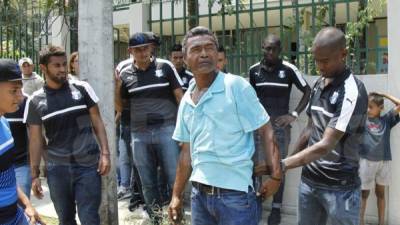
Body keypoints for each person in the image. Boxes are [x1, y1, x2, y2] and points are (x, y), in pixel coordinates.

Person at [168, 26, 282, 225]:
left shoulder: (235, 86)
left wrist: (276, 176)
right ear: (185, 59)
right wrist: (176, 195)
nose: (204, 53)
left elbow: (265, 129)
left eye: (209, 47)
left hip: (235, 198)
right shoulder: (187, 99)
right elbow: (186, 152)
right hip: (199, 197)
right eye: (196, 49)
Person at [281, 27, 368, 225]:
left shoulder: (352, 92)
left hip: (340, 189)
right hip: (309, 184)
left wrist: (283, 165)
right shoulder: (319, 84)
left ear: (343, 54)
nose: (319, 66)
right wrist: (288, 162)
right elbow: (310, 130)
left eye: (325, 60)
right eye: (316, 59)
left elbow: (326, 144)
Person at [24, 45, 111, 225]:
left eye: (64, 64)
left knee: (89, 218)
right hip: (57, 169)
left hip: (87, 165)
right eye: (56, 65)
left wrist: (105, 153)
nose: (63, 69)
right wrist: (34, 175)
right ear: (43, 67)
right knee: (65, 219)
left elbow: (97, 121)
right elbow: (35, 140)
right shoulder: (35, 101)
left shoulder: (82, 88)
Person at [116, 32, 184, 223]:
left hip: (167, 130)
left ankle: (177, 219)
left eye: (145, 48)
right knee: (147, 182)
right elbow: (120, 107)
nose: (142, 52)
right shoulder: (124, 74)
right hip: (139, 135)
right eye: (137, 49)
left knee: (174, 179)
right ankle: (156, 219)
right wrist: (116, 86)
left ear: (151, 48)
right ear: (130, 51)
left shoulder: (165, 66)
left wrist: (182, 130)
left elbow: (181, 99)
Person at [248, 34, 311, 225]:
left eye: (274, 49)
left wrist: (293, 115)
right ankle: (257, 204)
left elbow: (308, 91)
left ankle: (276, 210)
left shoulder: (289, 69)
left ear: (280, 50)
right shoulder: (254, 71)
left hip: (280, 130)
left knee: (278, 168)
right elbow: (249, 98)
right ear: (262, 48)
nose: (270, 52)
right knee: (257, 168)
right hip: (259, 129)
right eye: (267, 48)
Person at [0, 58, 45, 225]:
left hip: (15, 215)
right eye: (13, 91)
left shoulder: (4, 123)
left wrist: (27, 204)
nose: (20, 97)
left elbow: (8, 175)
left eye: (20, 89)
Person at [359, 92, 400, 225]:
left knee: (380, 194)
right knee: (364, 194)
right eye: (367, 106)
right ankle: (360, 222)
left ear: (380, 108)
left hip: (384, 162)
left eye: (371, 107)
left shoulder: (386, 120)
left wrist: (384, 94)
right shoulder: (362, 120)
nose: (367, 109)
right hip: (366, 162)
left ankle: (382, 222)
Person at [4, 93, 31, 198]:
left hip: (21, 164)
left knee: (22, 205)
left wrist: (35, 169)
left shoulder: (25, 101)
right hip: (3, 167)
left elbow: (34, 135)